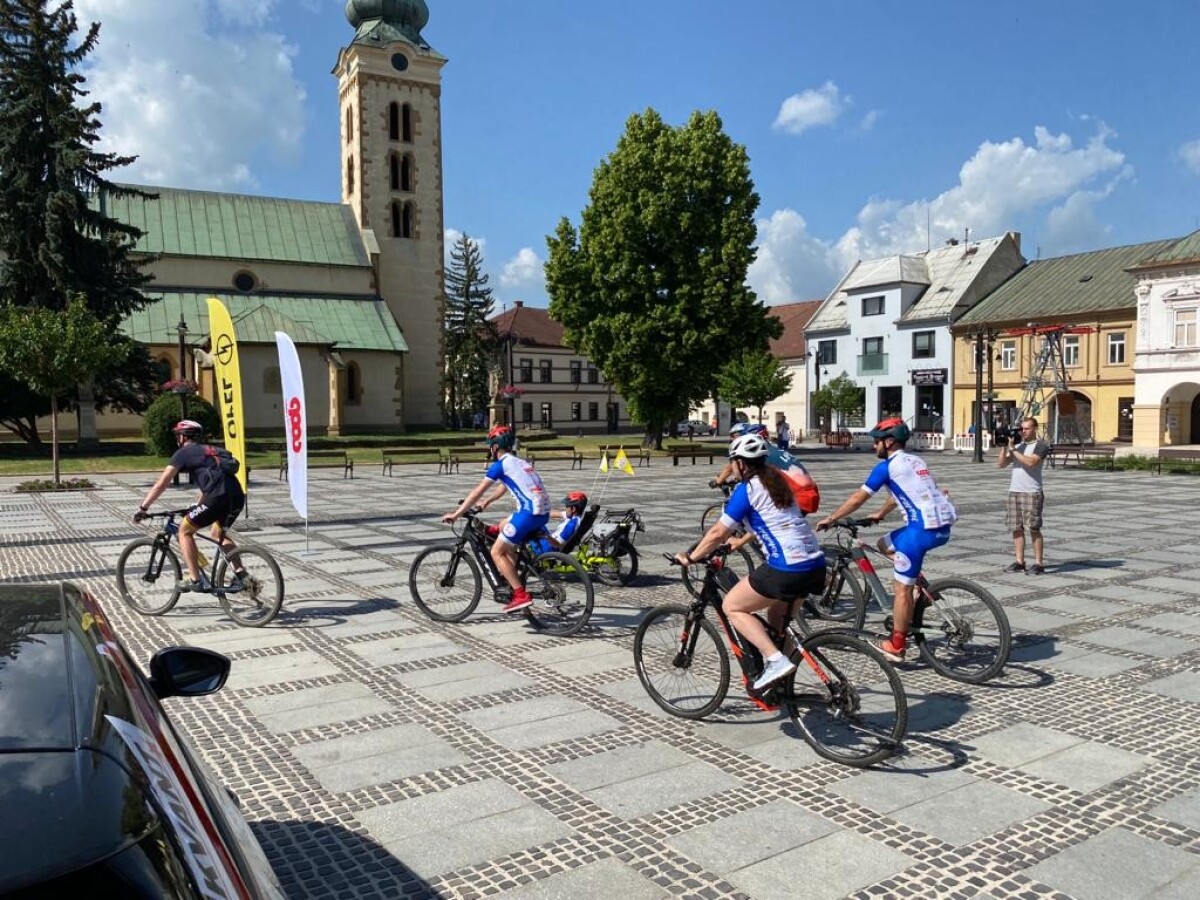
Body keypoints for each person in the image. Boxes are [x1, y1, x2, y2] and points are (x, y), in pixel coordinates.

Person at [677, 433, 825, 692]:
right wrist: (741, 541)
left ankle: (776, 661)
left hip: (787, 567)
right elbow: (771, 521)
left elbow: (716, 533)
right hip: (814, 564)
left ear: (741, 463)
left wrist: (691, 557)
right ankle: (782, 684)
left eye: (733, 462)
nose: (732, 467)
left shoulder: (747, 489)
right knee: (778, 620)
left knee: (733, 606)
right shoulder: (777, 482)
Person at [816, 417, 956, 662]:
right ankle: (918, 585)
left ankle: (897, 645)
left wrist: (831, 517)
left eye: (877, 442)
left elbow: (859, 498)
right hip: (940, 528)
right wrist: (880, 514)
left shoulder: (886, 467)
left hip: (920, 532)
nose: (874, 446)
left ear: (889, 442)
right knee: (883, 544)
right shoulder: (915, 461)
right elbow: (902, 493)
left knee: (901, 589)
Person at [443, 425, 550, 613]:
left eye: (490, 445)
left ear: (495, 447)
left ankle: (520, 595)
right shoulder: (519, 462)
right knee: (504, 525)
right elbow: (504, 486)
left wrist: (457, 513)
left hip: (528, 514)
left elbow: (477, 490)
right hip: (542, 514)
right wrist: (487, 502)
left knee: (496, 552)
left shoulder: (500, 465)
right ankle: (511, 566)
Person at [133, 420, 247, 591]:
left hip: (217, 497)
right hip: (237, 495)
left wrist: (143, 508)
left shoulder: (183, 453)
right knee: (217, 533)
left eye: (178, 435)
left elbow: (161, 484)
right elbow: (210, 483)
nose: (177, 439)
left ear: (182, 437)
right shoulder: (214, 450)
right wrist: (198, 506)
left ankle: (195, 579)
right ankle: (242, 575)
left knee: (184, 531)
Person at [713, 422, 820, 515]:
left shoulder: (760, 453)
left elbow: (735, 471)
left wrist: (720, 481)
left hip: (798, 497)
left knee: (762, 518)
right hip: (810, 494)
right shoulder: (775, 450)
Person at [997, 416, 1048, 574]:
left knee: (1033, 528)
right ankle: (1020, 561)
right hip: (1015, 491)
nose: (1023, 432)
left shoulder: (1040, 445)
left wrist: (1013, 450)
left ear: (1035, 429)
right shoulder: (1018, 445)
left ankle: (1038, 563)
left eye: (1027, 428)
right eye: (1022, 429)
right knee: (1016, 528)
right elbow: (1001, 464)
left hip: (1032, 492)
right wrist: (1005, 446)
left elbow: (1030, 462)